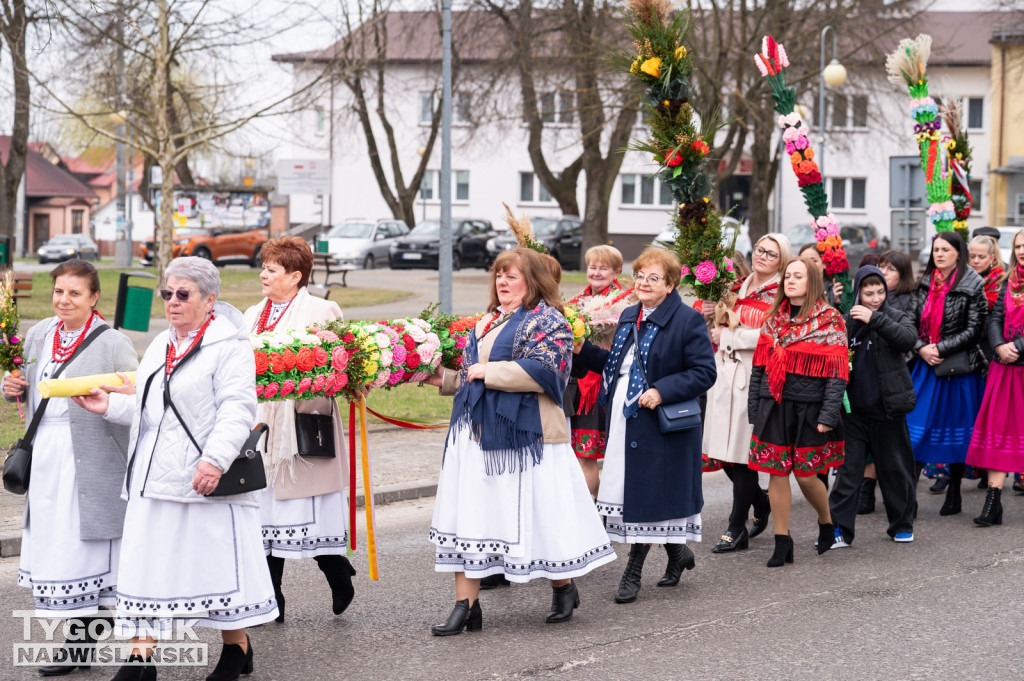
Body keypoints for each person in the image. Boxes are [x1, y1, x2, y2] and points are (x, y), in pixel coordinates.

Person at [74, 257, 276, 681]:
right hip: (150, 479)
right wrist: (109, 405)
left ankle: (237, 647)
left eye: (183, 294)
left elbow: (237, 410)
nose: (172, 302)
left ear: (210, 300)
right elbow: (152, 410)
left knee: (214, 568)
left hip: (202, 479)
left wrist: (214, 460)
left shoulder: (229, 346)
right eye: (168, 293)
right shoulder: (162, 344)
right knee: (144, 569)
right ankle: (139, 661)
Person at [423, 248, 615, 635]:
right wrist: (438, 378)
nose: (503, 283)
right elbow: (469, 376)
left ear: (533, 282)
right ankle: (466, 605)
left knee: (537, 515)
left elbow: (548, 372)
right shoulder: (487, 321)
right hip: (476, 434)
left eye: (512, 276)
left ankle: (563, 587)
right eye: (499, 275)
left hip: (530, 436)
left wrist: (486, 370)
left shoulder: (550, 320)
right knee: (471, 515)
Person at [2, 260, 138, 677]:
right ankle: (82, 639)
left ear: (94, 297)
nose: (64, 300)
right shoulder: (41, 334)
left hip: (91, 459)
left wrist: (106, 394)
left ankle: (82, 642)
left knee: (87, 549)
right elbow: (25, 392)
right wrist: (10, 389)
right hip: (46, 456)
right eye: (59, 291)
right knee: (58, 547)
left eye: (74, 293)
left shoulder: (112, 341)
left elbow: (137, 395)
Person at [574, 247, 716, 603]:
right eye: (640, 276)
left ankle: (633, 571)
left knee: (649, 494)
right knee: (637, 490)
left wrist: (661, 390)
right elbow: (616, 365)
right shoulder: (629, 315)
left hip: (662, 423)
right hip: (627, 417)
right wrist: (582, 351)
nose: (644, 283)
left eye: (653, 278)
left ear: (670, 285)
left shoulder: (687, 320)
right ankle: (677, 553)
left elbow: (704, 372)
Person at [242, 236, 355, 622]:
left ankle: (337, 573)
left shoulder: (323, 310)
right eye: (264, 267)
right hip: (261, 426)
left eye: (271, 270)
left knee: (306, 510)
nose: (263, 275)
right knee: (263, 512)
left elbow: (342, 370)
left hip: (304, 422)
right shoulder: (252, 314)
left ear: (295, 276)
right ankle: (273, 598)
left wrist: (304, 378)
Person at [748, 257, 848, 567]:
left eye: (798, 276)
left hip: (811, 408)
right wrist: (754, 406)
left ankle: (826, 521)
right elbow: (759, 368)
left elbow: (838, 373)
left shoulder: (831, 320)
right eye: (787, 276)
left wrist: (829, 415)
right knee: (777, 472)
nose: (790, 281)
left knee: (806, 476)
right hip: (774, 404)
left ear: (813, 282)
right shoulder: (773, 320)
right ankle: (782, 541)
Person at [700, 234, 792, 554]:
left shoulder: (783, 290)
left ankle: (735, 527)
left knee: (743, 456)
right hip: (724, 374)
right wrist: (711, 311)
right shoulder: (739, 284)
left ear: (783, 259)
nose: (762, 256)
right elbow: (720, 321)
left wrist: (729, 337)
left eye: (771, 253)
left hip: (756, 376)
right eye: (759, 250)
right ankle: (760, 500)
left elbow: (773, 332)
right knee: (722, 452)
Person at [828, 266, 918, 548]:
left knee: (895, 470)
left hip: (889, 409)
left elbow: (907, 339)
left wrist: (876, 318)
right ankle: (840, 528)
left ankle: (901, 525)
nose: (876, 297)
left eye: (880, 291)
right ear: (859, 293)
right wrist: (836, 304)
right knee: (848, 473)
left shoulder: (894, 315)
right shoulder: (848, 320)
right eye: (869, 293)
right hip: (854, 413)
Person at [906, 232, 988, 517]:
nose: (938, 254)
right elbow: (910, 323)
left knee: (956, 434)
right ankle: (908, 499)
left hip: (958, 370)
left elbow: (974, 330)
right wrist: (920, 348)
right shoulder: (926, 282)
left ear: (958, 253)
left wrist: (938, 347)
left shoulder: (973, 283)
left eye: (945, 249)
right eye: (935, 249)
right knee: (915, 431)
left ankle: (954, 492)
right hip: (925, 366)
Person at [563, 245, 634, 497]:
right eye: (592, 266)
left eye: (603, 268)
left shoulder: (623, 304)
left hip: (596, 386)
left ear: (616, 271)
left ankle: (591, 513)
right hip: (573, 384)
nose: (596, 271)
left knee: (586, 456)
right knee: (574, 455)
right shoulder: (575, 302)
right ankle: (598, 507)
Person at [966, 229, 1024, 525]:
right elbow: (997, 316)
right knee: (999, 435)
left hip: (1020, 362)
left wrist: (1017, 346)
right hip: (1004, 368)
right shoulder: (1009, 280)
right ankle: (993, 502)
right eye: (1018, 246)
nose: (1022, 250)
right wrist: (1000, 344)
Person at [860, 249, 918, 509]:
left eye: (891, 268)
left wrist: (877, 318)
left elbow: (908, 337)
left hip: (899, 380)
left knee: (895, 454)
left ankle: (904, 510)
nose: (884, 272)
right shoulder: (861, 309)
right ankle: (863, 494)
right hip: (867, 388)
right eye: (881, 266)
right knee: (859, 455)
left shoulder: (903, 304)